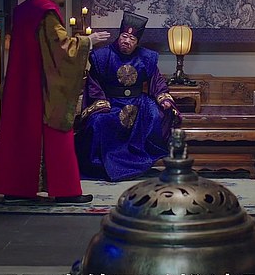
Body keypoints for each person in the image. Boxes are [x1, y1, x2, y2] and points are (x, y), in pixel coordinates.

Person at [0, 0, 110, 204]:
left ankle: (16, 190)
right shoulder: (47, 11)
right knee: (57, 130)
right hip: (44, 84)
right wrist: (88, 41)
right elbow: (62, 47)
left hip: (22, 82)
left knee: (20, 132)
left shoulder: (23, 9)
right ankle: (65, 191)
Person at [75, 11, 180, 181]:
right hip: (111, 102)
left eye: (132, 39)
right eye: (124, 36)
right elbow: (93, 84)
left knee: (155, 115)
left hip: (139, 102)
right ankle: (100, 166)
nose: (127, 41)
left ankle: (143, 160)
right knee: (98, 122)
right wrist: (101, 103)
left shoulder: (147, 57)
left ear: (137, 42)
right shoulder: (102, 56)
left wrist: (164, 97)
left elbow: (156, 80)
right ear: (119, 36)